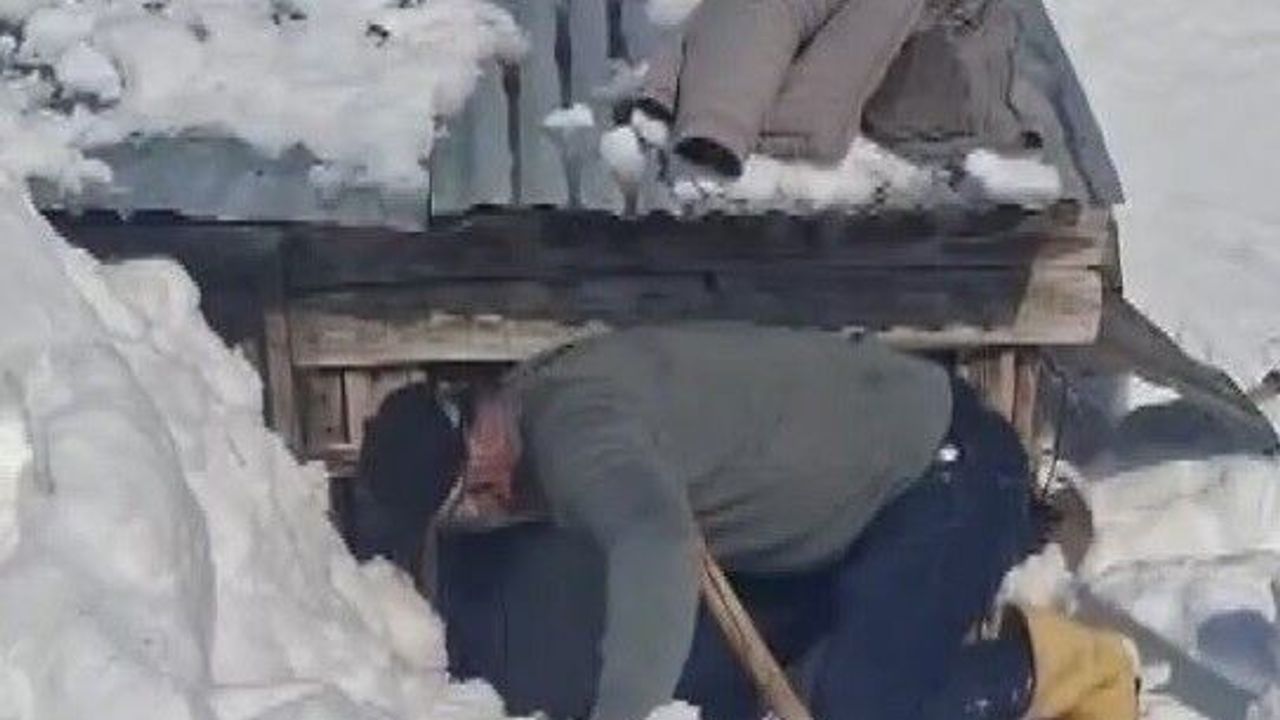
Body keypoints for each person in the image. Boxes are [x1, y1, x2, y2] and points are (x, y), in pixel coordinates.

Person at [351, 323, 1138, 720]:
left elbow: (657, 547)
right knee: (725, 685)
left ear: (478, 450)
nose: (483, 510)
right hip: (848, 522)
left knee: (862, 709)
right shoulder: (535, 402)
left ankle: (1067, 666)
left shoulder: (574, 434)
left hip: (941, 475)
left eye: (466, 498)